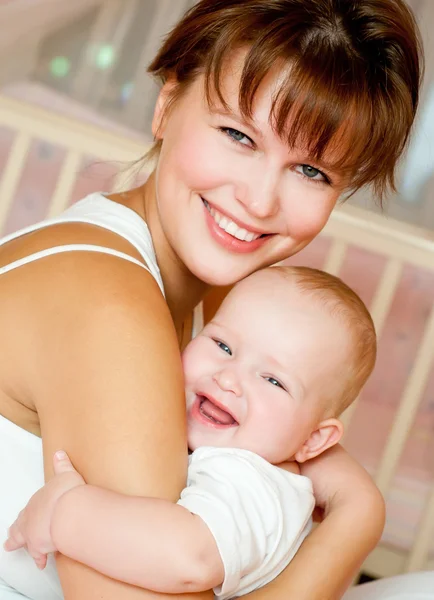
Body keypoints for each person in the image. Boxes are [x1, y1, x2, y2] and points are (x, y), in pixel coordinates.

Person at [0, 0, 423, 598]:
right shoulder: (111, 309)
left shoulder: (222, 303)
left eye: (311, 171)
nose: (258, 200)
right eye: (237, 135)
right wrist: (355, 522)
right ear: (167, 105)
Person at [5, 266, 377, 600]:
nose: (228, 378)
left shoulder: (254, 484)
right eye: (223, 345)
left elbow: (190, 557)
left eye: (273, 380)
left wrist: (63, 511)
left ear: (313, 439)